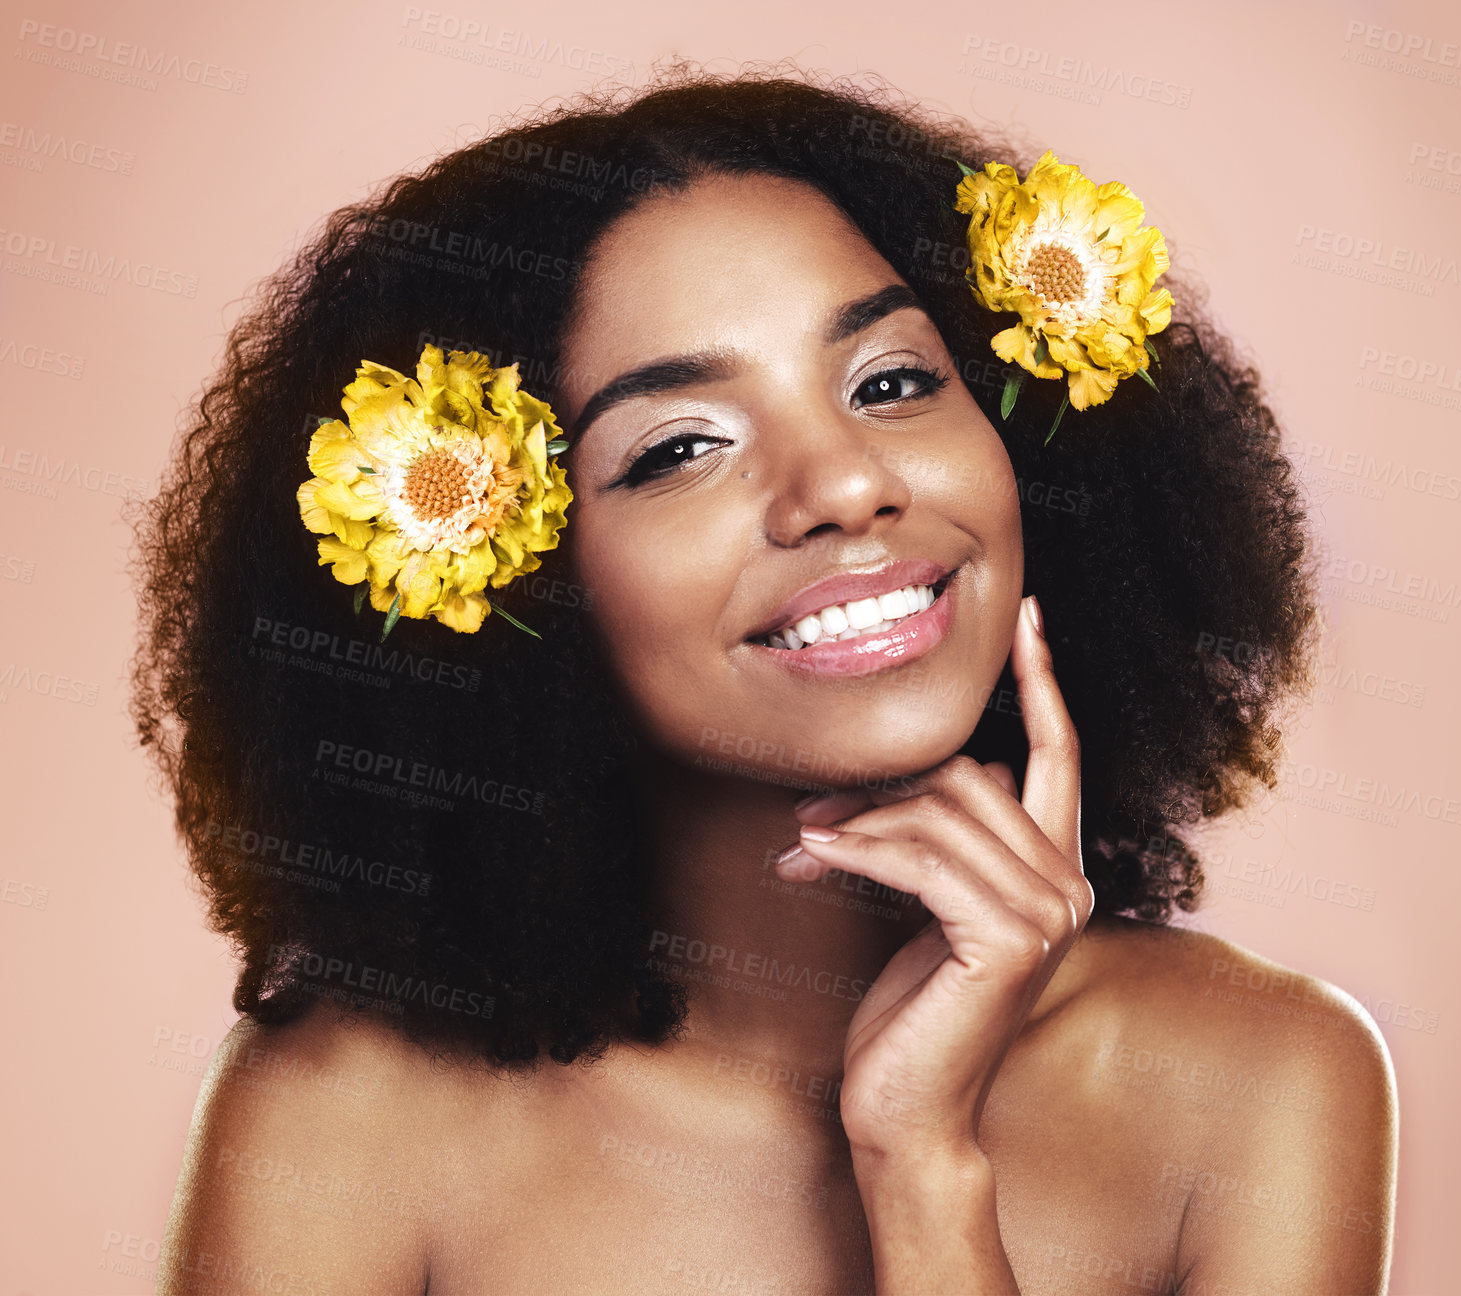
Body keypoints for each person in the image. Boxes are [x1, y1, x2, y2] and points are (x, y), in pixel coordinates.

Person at [131, 62, 1396, 1295]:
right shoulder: (341, 1124)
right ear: (507, 577)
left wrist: (920, 1167)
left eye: (893, 381)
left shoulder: (1264, 1084)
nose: (847, 485)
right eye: (679, 448)